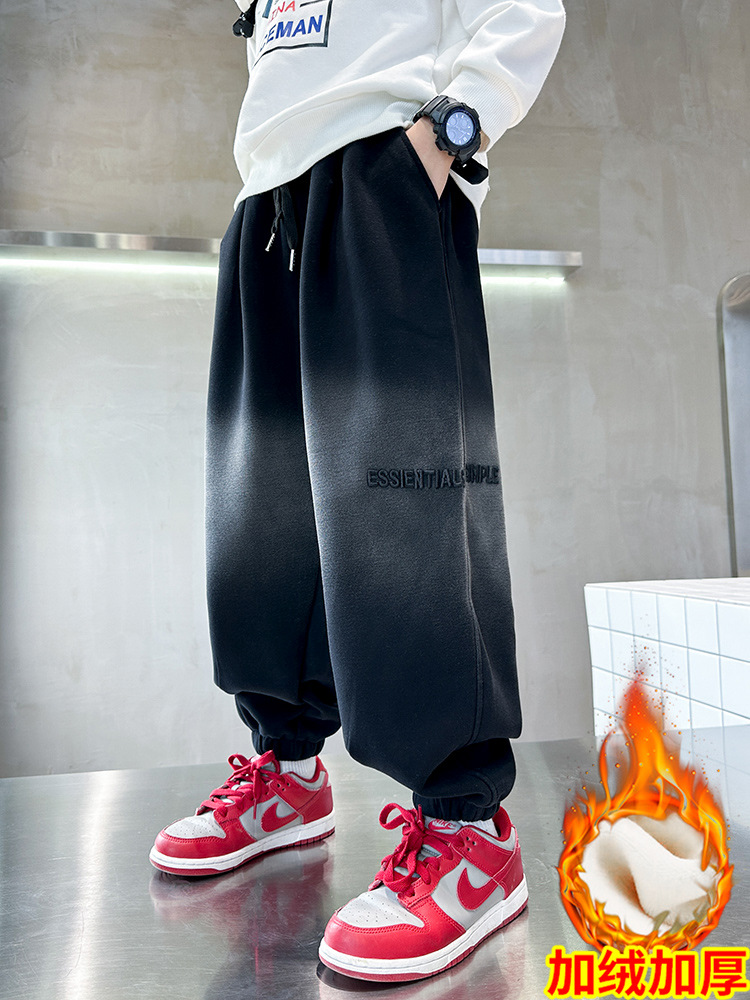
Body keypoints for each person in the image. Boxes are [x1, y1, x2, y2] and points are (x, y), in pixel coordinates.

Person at [150, 0, 566, 982]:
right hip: (267, 197)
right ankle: (289, 772)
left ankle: (469, 832)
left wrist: (444, 138)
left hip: (385, 175)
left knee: (404, 510)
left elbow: (526, 9)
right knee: (263, 517)